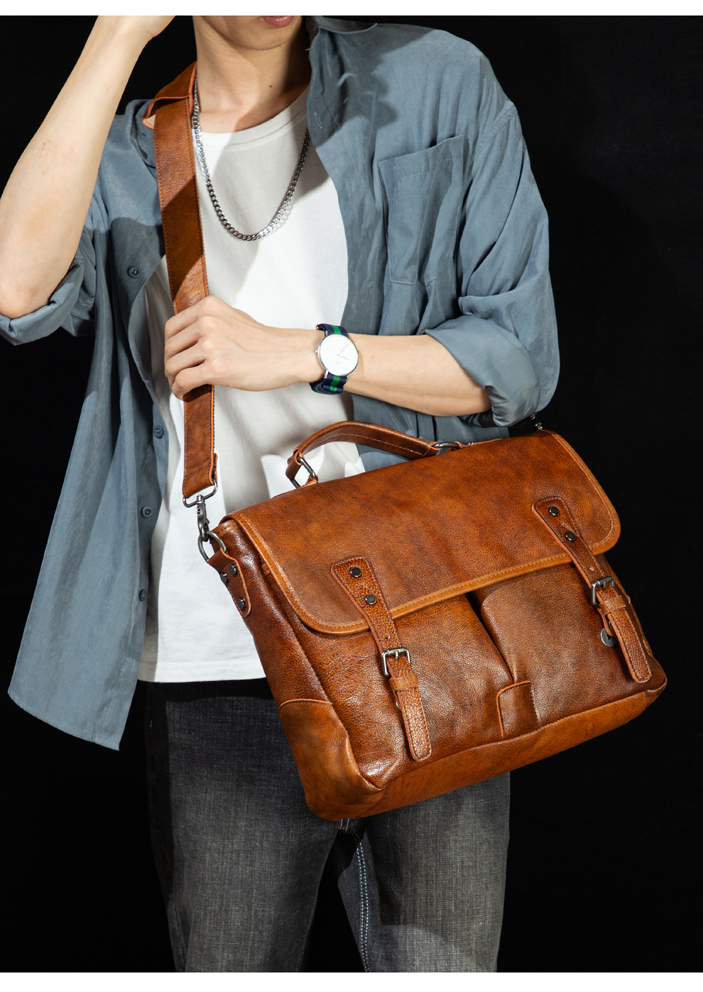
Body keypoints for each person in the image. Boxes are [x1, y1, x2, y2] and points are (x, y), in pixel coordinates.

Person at [0, 15, 558, 972]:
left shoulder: (434, 82)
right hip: (220, 649)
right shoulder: (123, 150)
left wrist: (307, 353)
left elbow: (518, 359)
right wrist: (116, 34)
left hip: (433, 631)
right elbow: (15, 290)